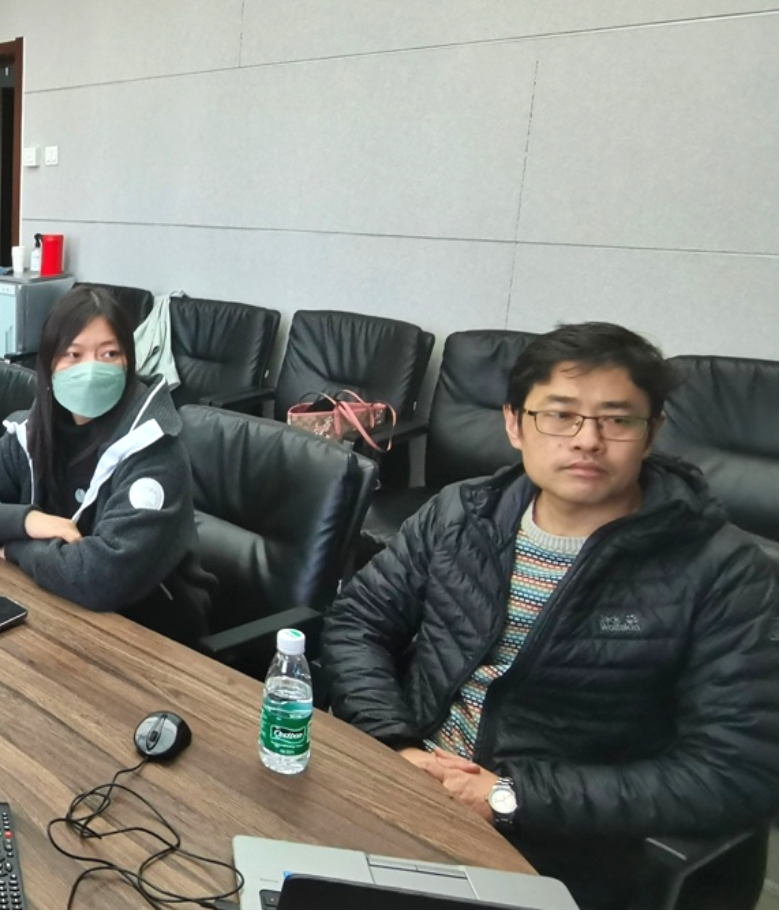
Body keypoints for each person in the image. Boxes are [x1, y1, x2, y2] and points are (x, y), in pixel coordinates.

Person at [320, 323, 779, 908]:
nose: (588, 440)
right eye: (560, 415)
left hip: (558, 846)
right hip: (407, 787)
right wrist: (397, 746)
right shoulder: (461, 513)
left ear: (652, 432)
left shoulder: (723, 570)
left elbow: (737, 769)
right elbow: (358, 622)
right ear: (515, 424)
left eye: (618, 419)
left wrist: (511, 797)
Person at [0, 288, 211, 643]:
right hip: (54, 610)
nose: (91, 370)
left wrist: (17, 548)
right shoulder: (35, 431)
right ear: (49, 365)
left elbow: (102, 577)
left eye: (109, 354)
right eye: (73, 355)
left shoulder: (155, 446)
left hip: (150, 637)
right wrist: (28, 521)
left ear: (128, 362)